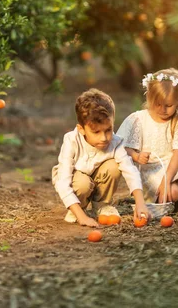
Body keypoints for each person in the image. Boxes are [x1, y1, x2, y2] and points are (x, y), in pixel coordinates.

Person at [52, 89, 149, 227]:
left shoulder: (116, 142)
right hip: (78, 181)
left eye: (108, 130)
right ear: (81, 129)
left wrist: (140, 203)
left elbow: (130, 171)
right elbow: (63, 183)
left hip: (99, 177)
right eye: (96, 132)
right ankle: (78, 208)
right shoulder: (71, 141)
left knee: (114, 166)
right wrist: (82, 218)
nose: (104, 138)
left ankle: (101, 205)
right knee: (82, 183)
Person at [117, 68, 178, 213]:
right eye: (158, 104)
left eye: (168, 105)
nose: (163, 109)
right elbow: (120, 146)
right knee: (174, 192)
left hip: (172, 167)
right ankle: (171, 194)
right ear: (149, 97)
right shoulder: (138, 119)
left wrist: (167, 180)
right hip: (150, 172)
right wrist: (136, 156)